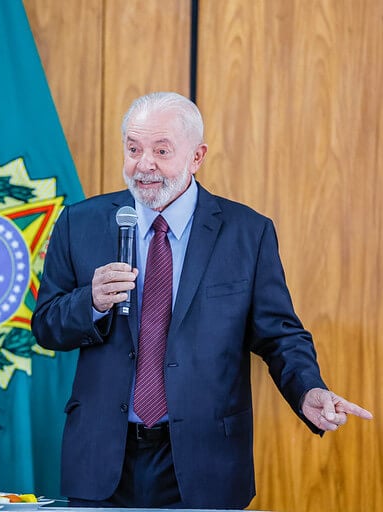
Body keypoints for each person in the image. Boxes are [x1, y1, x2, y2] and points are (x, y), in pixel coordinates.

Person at [30, 91, 373, 509]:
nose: (144, 164)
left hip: (203, 460)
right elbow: (46, 325)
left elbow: (279, 336)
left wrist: (308, 390)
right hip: (102, 459)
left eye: (161, 150)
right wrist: (91, 302)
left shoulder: (247, 232)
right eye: (133, 149)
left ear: (197, 156)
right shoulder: (80, 222)